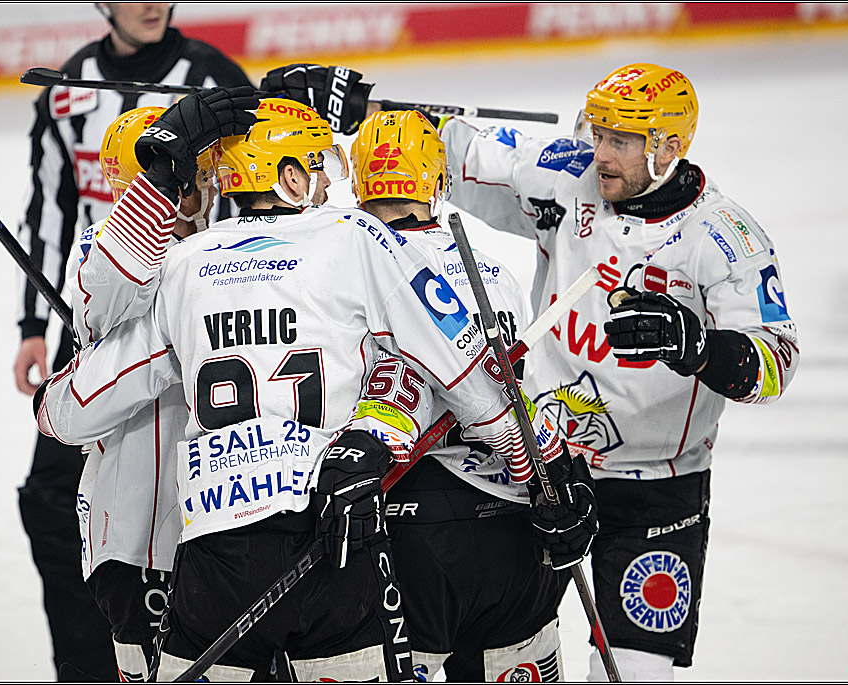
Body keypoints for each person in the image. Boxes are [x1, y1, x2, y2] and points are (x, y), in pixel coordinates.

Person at [35, 91, 588, 681]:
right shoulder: (354, 237)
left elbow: (67, 413)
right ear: (292, 179)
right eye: (319, 168)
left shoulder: (184, 263)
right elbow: (466, 371)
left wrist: (59, 388)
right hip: (331, 540)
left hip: (215, 552)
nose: (331, 185)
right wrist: (543, 472)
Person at [434, 63, 801, 680]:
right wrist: (346, 108)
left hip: (657, 489)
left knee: (640, 674)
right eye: (599, 132)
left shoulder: (723, 237)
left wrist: (697, 345)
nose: (599, 153)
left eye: (620, 141)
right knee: (501, 660)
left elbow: (776, 362)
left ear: (668, 147)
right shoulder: (566, 176)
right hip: (543, 467)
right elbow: (450, 152)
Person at [11, 3, 252, 679]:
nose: (150, 3)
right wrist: (35, 325)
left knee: (196, 496)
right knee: (55, 499)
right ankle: (93, 664)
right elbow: (50, 207)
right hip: (96, 311)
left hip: (198, 312)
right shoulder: (68, 88)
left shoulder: (210, 75)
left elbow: (253, 193)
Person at [343, 108, 587, 682]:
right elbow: (512, 391)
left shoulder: (346, 266)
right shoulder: (491, 271)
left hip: (409, 522)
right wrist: (558, 471)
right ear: (437, 183)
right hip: (512, 515)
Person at [60, 101, 251, 681]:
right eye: (188, 169)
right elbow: (114, 285)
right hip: (141, 542)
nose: (206, 180)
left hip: (230, 521)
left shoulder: (233, 245)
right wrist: (161, 181)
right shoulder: (102, 250)